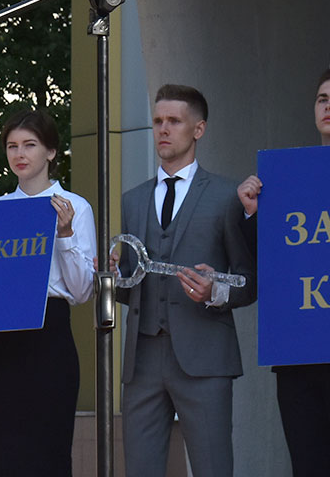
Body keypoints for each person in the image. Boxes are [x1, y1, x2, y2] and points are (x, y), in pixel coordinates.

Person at [238, 67, 330, 477]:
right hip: (299, 363)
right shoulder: (287, 181)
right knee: (308, 468)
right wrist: (253, 213)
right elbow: (272, 268)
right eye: (323, 99)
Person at [118, 84, 256, 477]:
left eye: (174, 121)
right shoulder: (132, 200)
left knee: (213, 468)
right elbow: (131, 283)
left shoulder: (228, 196)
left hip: (205, 356)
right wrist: (113, 278)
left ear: (198, 129)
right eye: (158, 121)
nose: (163, 129)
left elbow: (249, 281)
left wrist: (216, 291)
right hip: (142, 360)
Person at [0, 107, 94, 477]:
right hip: (0, 339)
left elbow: (82, 292)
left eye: (29, 144)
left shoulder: (75, 207)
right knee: (8, 455)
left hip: (49, 335)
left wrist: (65, 235)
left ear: (51, 151)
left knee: (50, 452)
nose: (19, 154)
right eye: (12, 146)